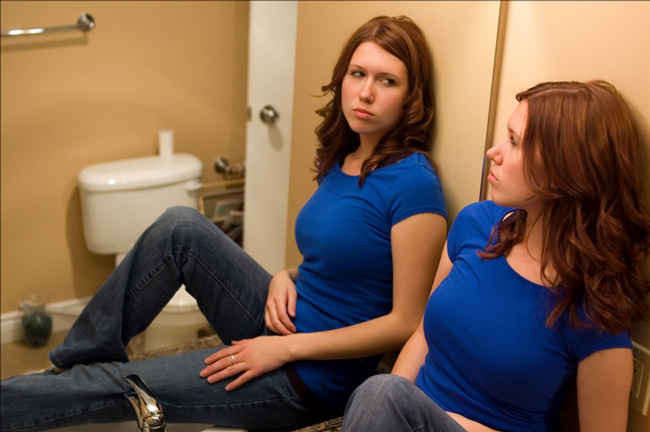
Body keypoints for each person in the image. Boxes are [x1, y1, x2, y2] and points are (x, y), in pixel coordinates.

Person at [0, 15, 448, 432]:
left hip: (309, 379)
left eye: (387, 81)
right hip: (282, 323)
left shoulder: (413, 182)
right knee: (181, 227)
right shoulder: (344, 156)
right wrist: (285, 276)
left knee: (122, 382)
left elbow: (405, 321)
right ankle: (71, 361)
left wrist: (284, 349)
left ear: (411, 97)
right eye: (358, 73)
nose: (365, 93)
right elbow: (343, 261)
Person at [340, 80, 650, 432]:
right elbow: (424, 334)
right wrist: (390, 413)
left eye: (514, 142)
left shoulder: (594, 311)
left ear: (566, 172)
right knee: (381, 392)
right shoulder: (475, 223)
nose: (493, 151)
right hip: (409, 417)